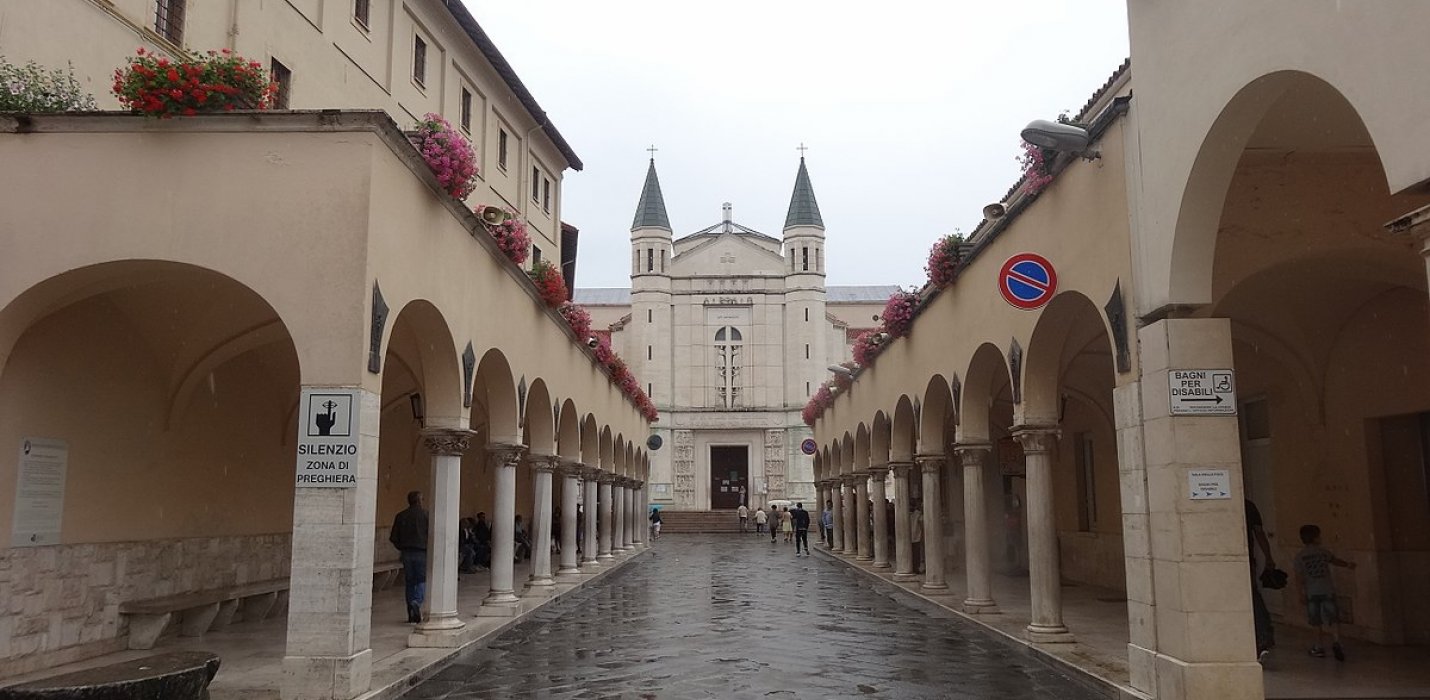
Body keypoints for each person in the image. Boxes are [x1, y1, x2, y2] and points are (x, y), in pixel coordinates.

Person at [1294, 524, 1356, 661]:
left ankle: (1319, 647)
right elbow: (1335, 561)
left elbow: (1299, 578)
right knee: (1333, 619)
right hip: (1327, 590)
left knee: (1316, 622)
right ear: (1316, 538)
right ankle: (1337, 641)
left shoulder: (1300, 557)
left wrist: (1300, 593)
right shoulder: (1323, 552)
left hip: (1311, 592)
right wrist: (1348, 565)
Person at [389, 490, 428, 623]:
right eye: (422, 499)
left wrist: (402, 547)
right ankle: (417, 601)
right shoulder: (426, 515)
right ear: (418, 501)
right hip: (421, 552)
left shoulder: (401, 516)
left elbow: (393, 537)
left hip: (406, 552)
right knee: (421, 579)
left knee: (410, 581)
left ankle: (411, 612)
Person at [1246, 499, 1276, 660]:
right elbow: (1259, 534)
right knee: (1253, 596)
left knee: (1252, 596)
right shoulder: (1249, 506)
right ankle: (1264, 636)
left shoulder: (1248, 506)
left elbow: (1259, 534)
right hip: (1248, 559)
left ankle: (1262, 638)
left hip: (1244, 560)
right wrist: (1268, 557)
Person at [911, 499, 924, 574]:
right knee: (915, 554)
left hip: (916, 537)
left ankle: (915, 568)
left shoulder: (917, 514)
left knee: (916, 554)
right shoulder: (918, 514)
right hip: (915, 537)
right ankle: (914, 568)